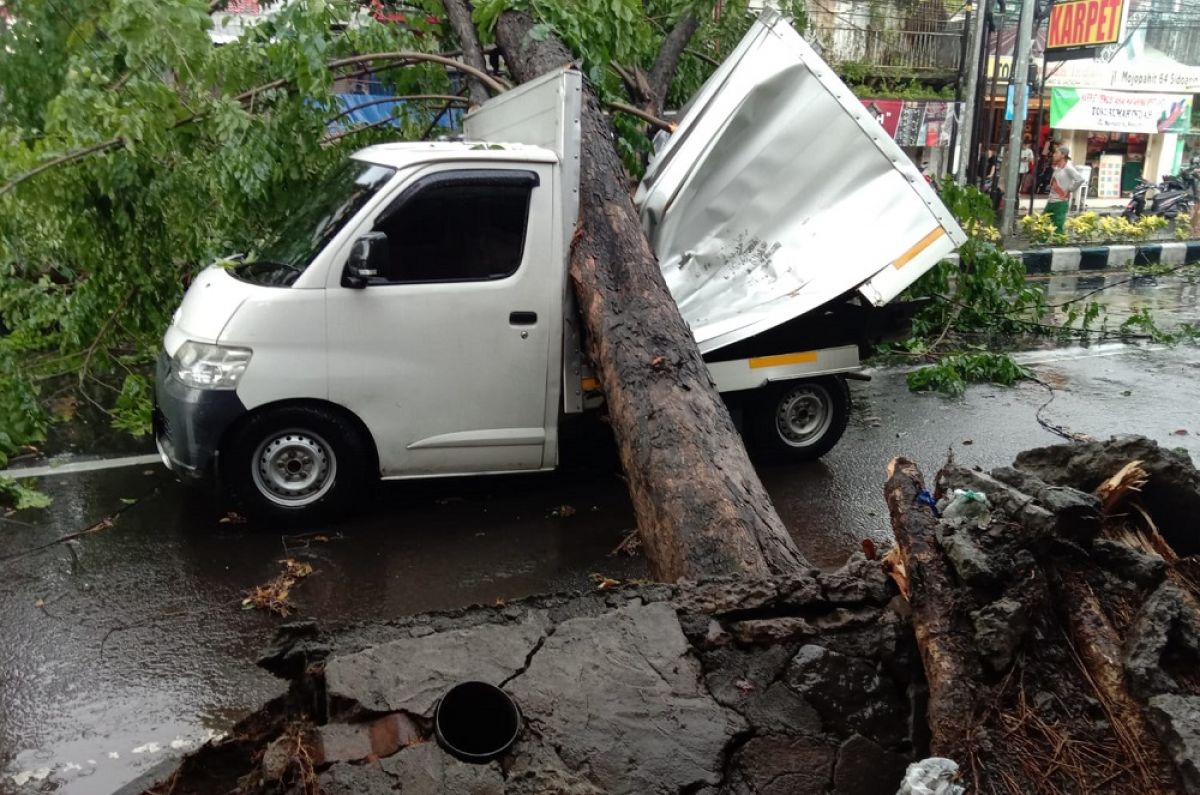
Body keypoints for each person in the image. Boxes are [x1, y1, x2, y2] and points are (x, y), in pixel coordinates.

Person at [1046, 145, 1084, 233]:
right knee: (1044, 225)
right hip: (1051, 201)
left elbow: (1080, 179)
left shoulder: (1068, 168)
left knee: (1057, 228)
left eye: (1056, 153)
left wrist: (1070, 189)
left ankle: (1058, 244)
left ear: (1063, 155)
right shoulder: (1057, 168)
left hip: (1060, 202)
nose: (1054, 155)